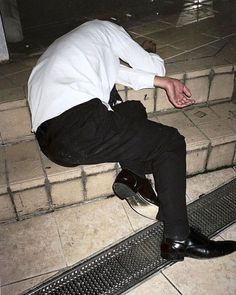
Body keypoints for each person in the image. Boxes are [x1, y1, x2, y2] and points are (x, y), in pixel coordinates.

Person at [28, 19, 236, 261]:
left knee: (132, 110)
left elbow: (120, 72)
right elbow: (153, 66)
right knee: (169, 143)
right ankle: (179, 238)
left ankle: (132, 175)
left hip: (53, 143)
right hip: (82, 123)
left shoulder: (70, 45)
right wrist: (149, 53)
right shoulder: (106, 28)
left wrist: (163, 84)